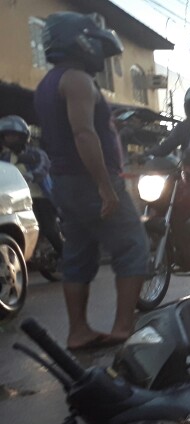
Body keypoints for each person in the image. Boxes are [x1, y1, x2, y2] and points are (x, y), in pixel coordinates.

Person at [33, 12, 150, 350]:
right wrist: (103, 184)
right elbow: (83, 133)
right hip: (89, 179)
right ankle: (123, 327)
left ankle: (78, 331)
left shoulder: (48, 83)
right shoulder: (78, 80)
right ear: (79, 42)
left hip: (64, 182)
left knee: (78, 253)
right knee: (132, 247)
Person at [139, 84, 190, 268]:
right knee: (166, 204)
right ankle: (179, 244)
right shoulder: (184, 129)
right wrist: (146, 154)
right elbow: (165, 147)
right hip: (186, 182)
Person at [0, 115, 63, 260]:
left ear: (22, 136)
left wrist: (32, 175)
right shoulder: (4, 157)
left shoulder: (35, 153)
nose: (9, 140)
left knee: (48, 228)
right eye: (7, 136)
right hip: (18, 200)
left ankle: (65, 256)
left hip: (41, 197)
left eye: (13, 136)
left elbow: (44, 167)